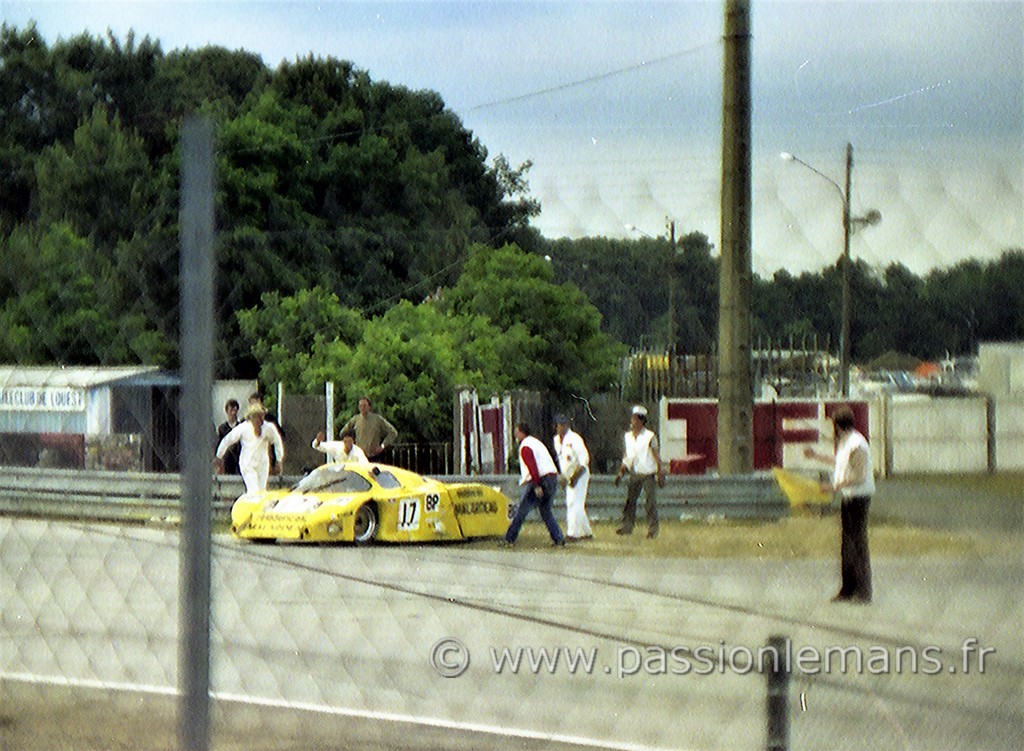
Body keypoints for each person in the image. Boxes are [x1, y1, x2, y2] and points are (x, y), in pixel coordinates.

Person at [804, 405, 874, 603]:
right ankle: (848, 588)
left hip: (859, 497)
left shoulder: (857, 444)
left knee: (858, 544)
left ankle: (863, 591)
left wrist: (833, 487)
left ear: (839, 426)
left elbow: (859, 476)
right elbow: (840, 462)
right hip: (848, 496)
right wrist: (816, 455)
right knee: (847, 544)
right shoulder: (845, 442)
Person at [504, 423, 566, 546]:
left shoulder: (525, 446)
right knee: (545, 510)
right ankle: (558, 538)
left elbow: (532, 466)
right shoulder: (536, 442)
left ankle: (509, 538)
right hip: (552, 478)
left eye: (517, 432)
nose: (515, 435)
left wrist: (536, 485)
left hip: (540, 479)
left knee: (522, 510)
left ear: (522, 432)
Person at [613, 405, 665, 539]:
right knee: (630, 501)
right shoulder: (628, 437)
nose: (633, 421)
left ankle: (653, 529)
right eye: (633, 418)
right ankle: (627, 526)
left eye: (636, 418)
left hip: (648, 473)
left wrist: (660, 473)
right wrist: (621, 472)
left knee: (650, 502)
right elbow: (628, 456)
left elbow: (656, 456)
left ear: (641, 421)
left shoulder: (649, 436)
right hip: (635, 472)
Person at [215, 401, 285, 496]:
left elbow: (277, 442)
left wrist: (279, 460)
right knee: (253, 491)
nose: (260, 420)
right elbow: (227, 440)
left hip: (262, 464)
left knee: (262, 491)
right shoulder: (243, 428)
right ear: (251, 417)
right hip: (247, 464)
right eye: (257, 416)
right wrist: (219, 456)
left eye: (262, 416)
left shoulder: (268, 428)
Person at [553, 414, 593, 541]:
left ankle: (572, 534)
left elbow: (584, 460)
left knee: (573, 503)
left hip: (580, 474)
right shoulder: (556, 440)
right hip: (568, 474)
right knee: (575, 503)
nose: (562, 427)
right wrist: (564, 477)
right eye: (560, 424)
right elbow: (561, 460)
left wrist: (575, 477)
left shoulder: (575, 439)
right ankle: (586, 532)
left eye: (564, 424)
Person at [337, 397, 398, 462]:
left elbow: (393, 432)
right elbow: (342, 433)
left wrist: (382, 446)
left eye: (365, 406)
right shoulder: (355, 419)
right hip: (359, 457)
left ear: (369, 407)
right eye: (360, 406)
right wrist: (348, 444)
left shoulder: (377, 419)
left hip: (374, 456)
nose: (362, 408)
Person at [215, 399, 243, 475]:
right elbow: (220, 444)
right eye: (231, 410)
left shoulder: (241, 427)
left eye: (235, 410)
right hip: (227, 459)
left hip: (239, 457)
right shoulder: (222, 428)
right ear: (227, 411)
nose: (233, 413)